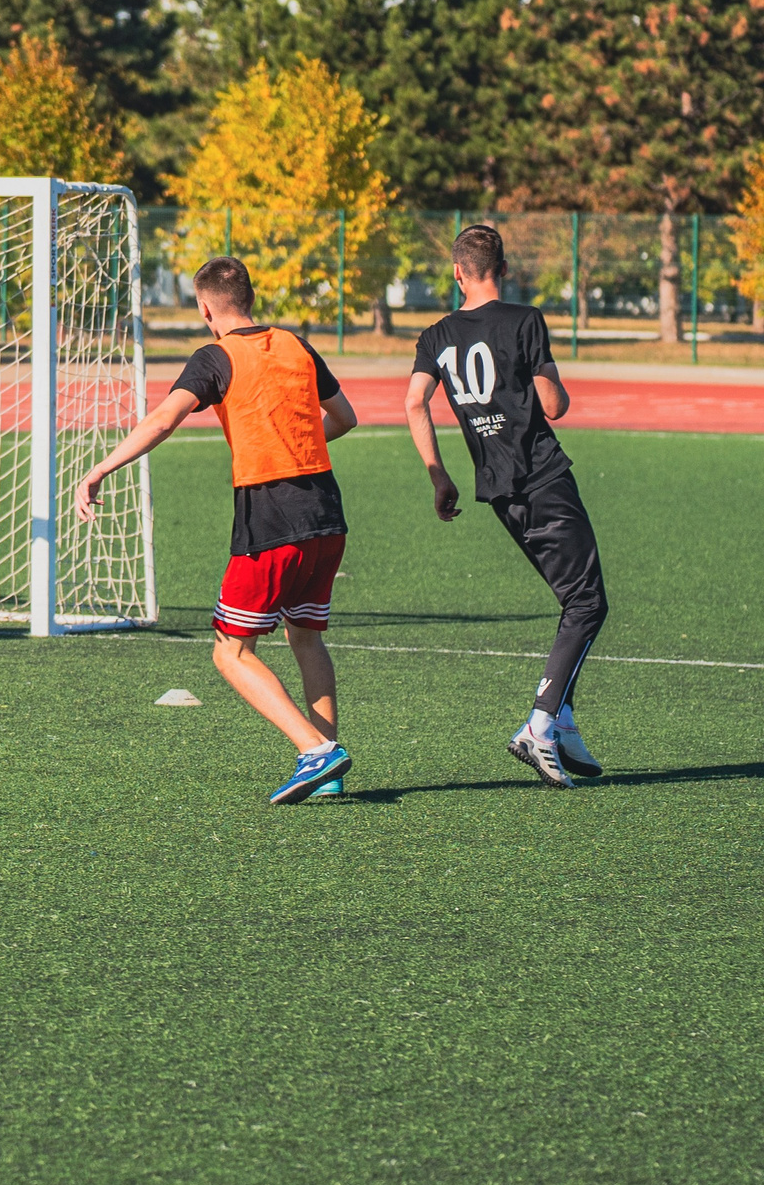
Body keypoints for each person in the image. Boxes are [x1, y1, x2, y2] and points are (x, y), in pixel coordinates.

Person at [76, 256, 360, 804]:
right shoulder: (296, 344)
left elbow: (164, 419)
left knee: (230, 652)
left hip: (271, 517)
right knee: (305, 637)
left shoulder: (215, 356)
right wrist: (295, 445)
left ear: (205, 309)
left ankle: (315, 751)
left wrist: (100, 470)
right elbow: (345, 418)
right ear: (250, 298)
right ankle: (329, 764)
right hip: (327, 512)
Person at [407, 224, 607, 789]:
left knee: (573, 600)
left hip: (497, 487)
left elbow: (414, 401)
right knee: (587, 603)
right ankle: (540, 725)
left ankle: (562, 722)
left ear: (457, 273)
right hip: (542, 476)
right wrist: (553, 384)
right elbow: (554, 405)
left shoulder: (436, 335)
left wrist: (438, 474)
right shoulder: (525, 320)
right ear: (504, 268)